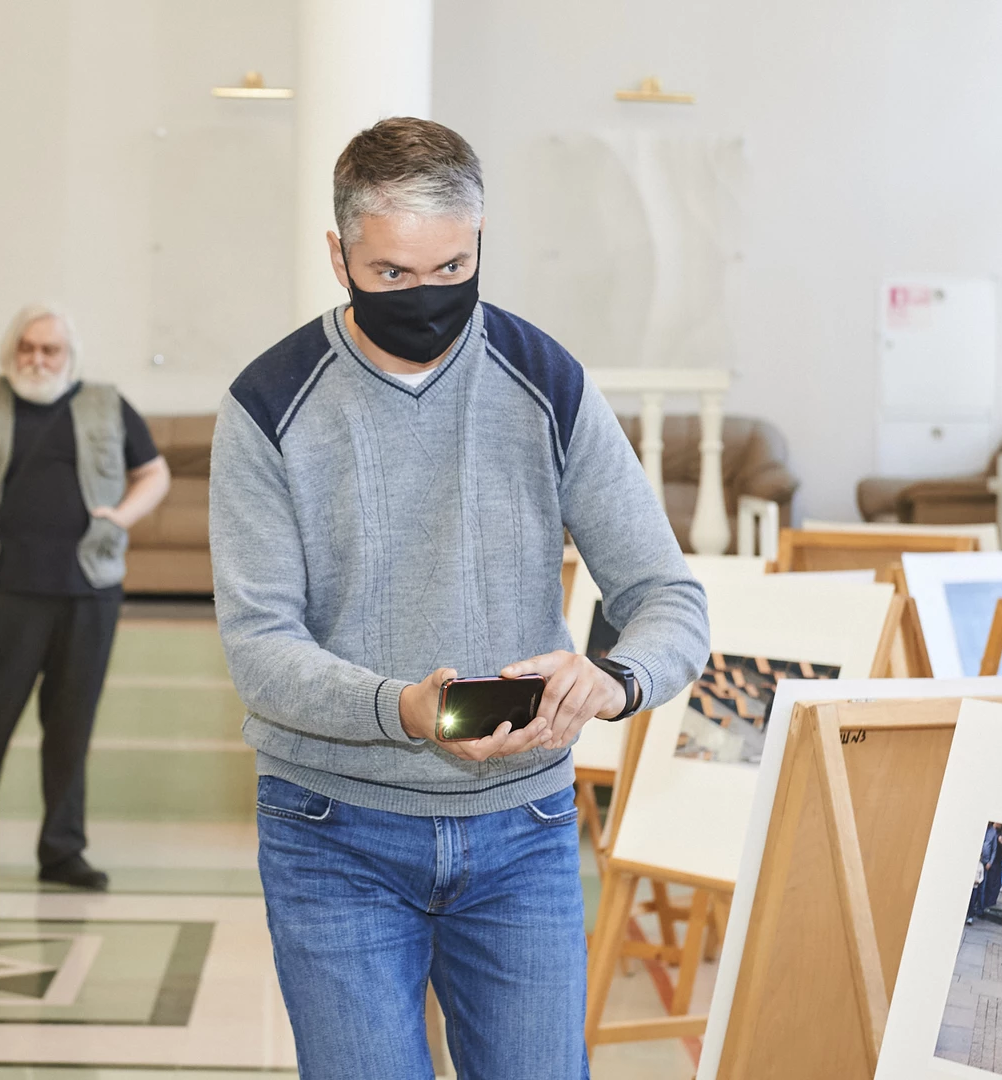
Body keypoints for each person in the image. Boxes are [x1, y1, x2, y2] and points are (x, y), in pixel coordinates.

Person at [208, 118, 708, 1078]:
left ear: (480, 240)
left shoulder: (546, 381)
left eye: (451, 267)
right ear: (338, 256)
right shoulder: (268, 404)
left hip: (523, 833)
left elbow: (667, 597)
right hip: (332, 832)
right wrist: (407, 709)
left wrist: (610, 681)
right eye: (391, 273)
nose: (426, 297)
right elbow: (261, 649)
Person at [0, 303, 172, 891]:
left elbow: (154, 472)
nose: (37, 359)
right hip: (4, 587)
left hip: (89, 590)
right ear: (12, 351)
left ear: (68, 356)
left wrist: (121, 516)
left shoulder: (106, 403)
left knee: (70, 728)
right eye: (27, 347)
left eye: (49, 350)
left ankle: (62, 851)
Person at [981, 822, 1002, 910]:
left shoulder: (994, 832)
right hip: (983, 860)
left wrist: (990, 862)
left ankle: (983, 906)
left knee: (985, 885)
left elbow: (994, 849)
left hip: (989, 862)